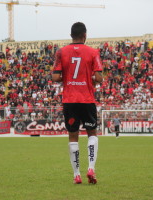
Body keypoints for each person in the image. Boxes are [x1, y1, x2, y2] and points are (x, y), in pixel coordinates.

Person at [52, 22, 103, 184]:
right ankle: (91, 169)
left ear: (71, 35)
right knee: (92, 133)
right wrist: (89, 80)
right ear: (85, 35)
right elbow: (99, 78)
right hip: (87, 99)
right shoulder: (93, 52)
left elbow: (55, 77)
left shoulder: (61, 52)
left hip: (70, 100)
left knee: (73, 136)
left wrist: (68, 79)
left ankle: (76, 175)